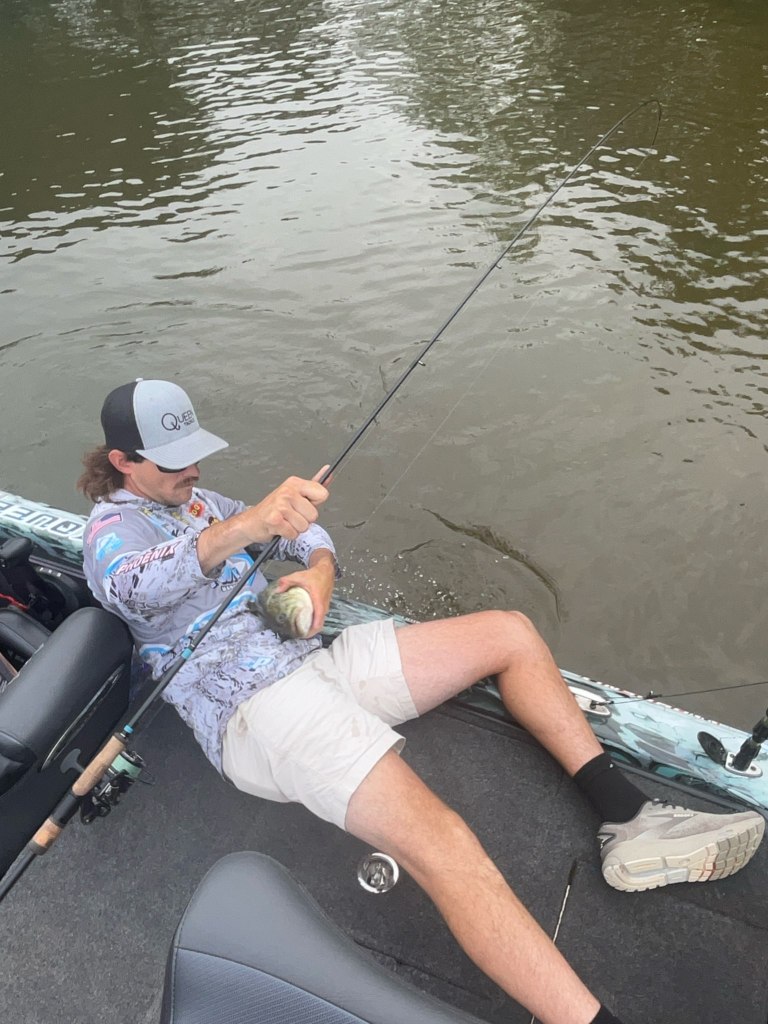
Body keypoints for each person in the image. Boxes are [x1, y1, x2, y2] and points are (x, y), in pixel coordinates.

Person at [79, 379, 764, 1024]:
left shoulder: (196, 500)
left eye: (195, 455)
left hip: (313, 665)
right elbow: (134, 588)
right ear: (123, 462)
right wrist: (247, 525)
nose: (193, 471)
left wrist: (318, 572)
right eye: (174, 462)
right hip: (257, 714)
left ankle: (629, 817)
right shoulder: (110, 533)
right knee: (445, 842)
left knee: (510, 634)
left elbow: (302, 534)